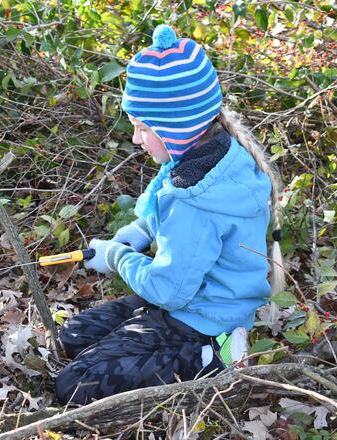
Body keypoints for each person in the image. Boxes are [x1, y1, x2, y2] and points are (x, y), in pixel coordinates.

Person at [55, 24, 284, 406]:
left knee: (75, 384)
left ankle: (211, 358)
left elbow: (167, 289)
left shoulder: (194, 200)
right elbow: (157, 206)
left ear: (176, 129)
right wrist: (139, 230)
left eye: (143, 128)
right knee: (74, 335)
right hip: (194, 298)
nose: (135, 139)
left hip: (200, 317)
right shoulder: (208, 153)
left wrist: (116, 257)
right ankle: (196, 345)